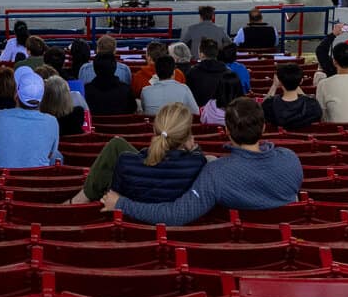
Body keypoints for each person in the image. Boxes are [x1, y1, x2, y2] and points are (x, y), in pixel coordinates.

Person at [104, 96, 302, 224]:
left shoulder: (215, 173)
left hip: (237, 251)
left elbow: (176, 214)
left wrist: (123, 204)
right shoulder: (291, 160)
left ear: (227, 132)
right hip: (282, 249)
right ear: (264, 128)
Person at [68, 99, 207, 208]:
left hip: (129, 219)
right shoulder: (198, 163)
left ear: (154, 130)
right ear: (187, 137)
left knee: (116, 145)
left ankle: (78, 201)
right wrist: (195, 149)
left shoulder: (126, 161)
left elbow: (114, 196)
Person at [0, 64, 61, 169]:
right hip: (35, 180)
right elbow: (50, 154)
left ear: (16, 95)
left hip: (2, 178)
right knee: (58, 156)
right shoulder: (52, 122)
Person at [262, 60, 321, 131]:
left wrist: (274, 85)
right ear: (301, 81)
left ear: (279, 82)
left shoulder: (269, 106)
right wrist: (295, 80)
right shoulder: (312, 106)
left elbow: (261, 111)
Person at [82, 51, 139, 117]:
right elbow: (132, 110)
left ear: (94, 69)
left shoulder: (85, 91)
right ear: (115, 68)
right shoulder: (126, 90)